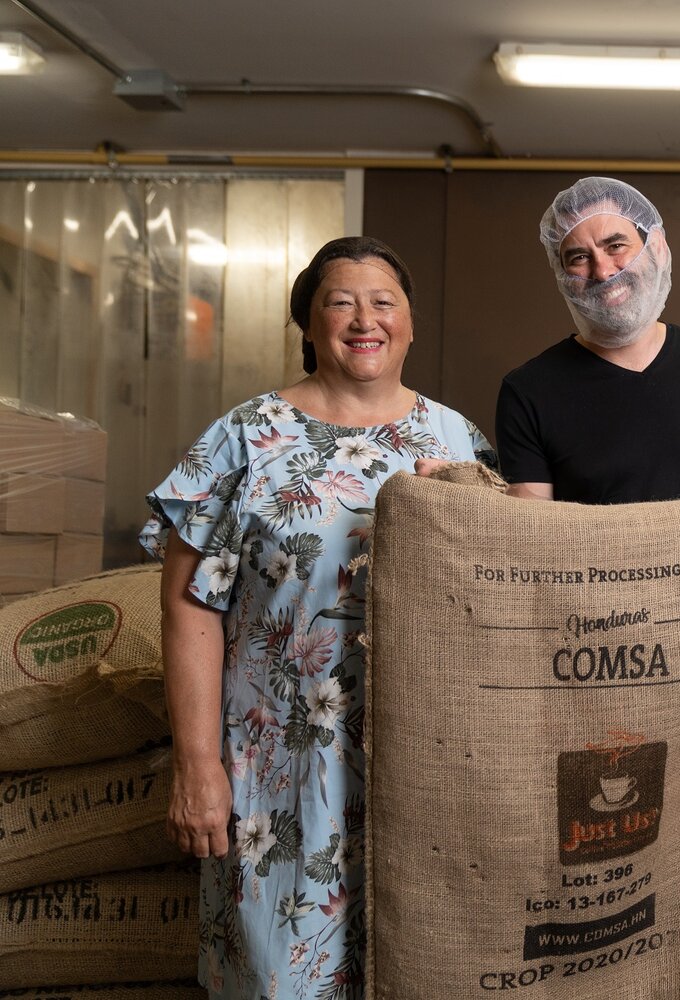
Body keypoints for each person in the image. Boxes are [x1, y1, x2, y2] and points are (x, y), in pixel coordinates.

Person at [141, 236, 495, 998]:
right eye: (340, 302)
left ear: (409, 323)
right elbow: (187, 601)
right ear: (308, 324)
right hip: (279, 776)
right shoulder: (246, 437)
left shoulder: (455, 440)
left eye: (382, 302)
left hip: (422, 771)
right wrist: (197, 765)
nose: (363, 319)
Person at [496, 176, 680, 503]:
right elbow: (529, 532)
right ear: (562, 275)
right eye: (579, 258)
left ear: (655, 247)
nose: (602, 271)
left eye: (615, 246)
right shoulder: (528, 391)